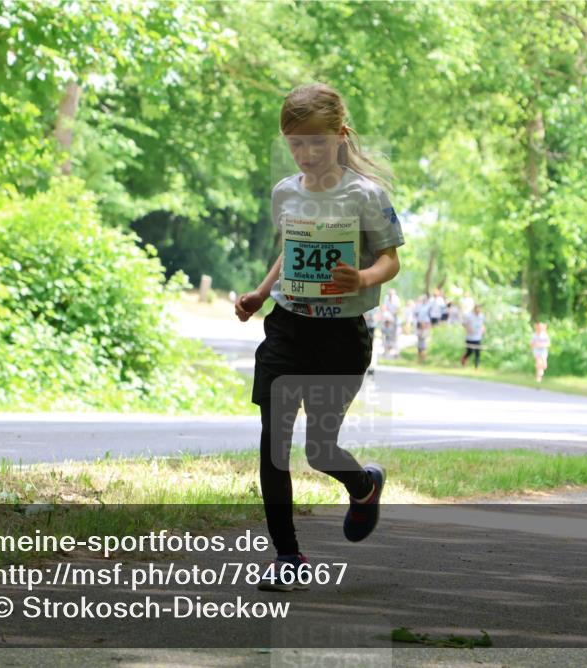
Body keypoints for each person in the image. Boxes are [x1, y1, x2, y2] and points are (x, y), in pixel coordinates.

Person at [234, 83, 403, 592]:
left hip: (341, 337)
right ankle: (288, 557)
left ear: (340, 136)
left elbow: (391, 259)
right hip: (288, 328)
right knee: (273, 446)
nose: (306, 154)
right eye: (295, 144)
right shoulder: (285, 192)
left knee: (319, 449)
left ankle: (363, 484)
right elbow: (292, 248)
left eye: (316, 143)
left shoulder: (367, 195)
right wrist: (262, 293)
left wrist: (364, 278)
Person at [460, 305, 486, 369]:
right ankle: (463, 359)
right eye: (477, 309)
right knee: (470, 351)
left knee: (478, 352)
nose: (478, 311)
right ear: (474, 309)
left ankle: (476, 366)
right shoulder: (469, 316)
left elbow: (482, 324)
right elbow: (463, 323)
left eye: (480, 310)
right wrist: (468, 329)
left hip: (478, 337)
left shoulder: (481, 316)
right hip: (470, 337)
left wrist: (483, 329)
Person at [415, 294, 431, 363]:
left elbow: (429, 318)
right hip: (419, 325)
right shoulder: (419, 306)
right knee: (419, 342)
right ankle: (419, 358)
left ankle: (423, 358)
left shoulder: (428, 307)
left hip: (425, 325)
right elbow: (417, 316)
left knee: (424, 342)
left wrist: (425, 325)